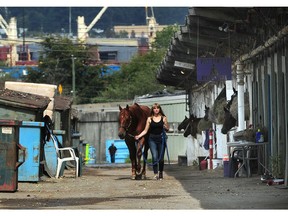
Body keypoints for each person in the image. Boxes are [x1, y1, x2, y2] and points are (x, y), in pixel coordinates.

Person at [135, 103, 169, 180]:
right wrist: (139, 136)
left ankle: (160, 172)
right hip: (152, 139)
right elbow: (145, 130)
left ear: (159, 109)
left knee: (161, 158)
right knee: (154, 156)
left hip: (161, 139)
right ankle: (155, 173)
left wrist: (165, 127)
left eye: (157, 108)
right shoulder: (149, 119)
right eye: (154, 108)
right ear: (152, 110)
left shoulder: (164, 118)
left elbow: (167, 128)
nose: (156, 109)